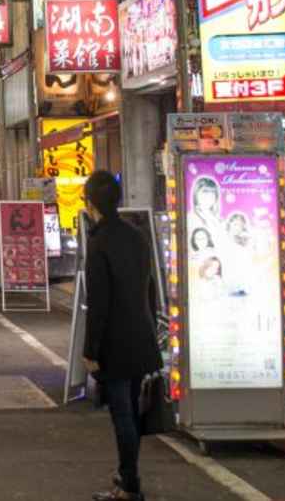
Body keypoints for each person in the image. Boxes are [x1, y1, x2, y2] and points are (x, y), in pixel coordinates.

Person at [81, 170, 163, 501]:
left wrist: (90, 351)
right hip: (141, 338)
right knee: (131, 410)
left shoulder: (99, 243)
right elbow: (151, 290)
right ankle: (127, 476)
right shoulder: (136, 236)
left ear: (90, 204)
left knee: (123, 416)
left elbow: (98, 304)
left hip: (115, 344)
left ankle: (130, 485)